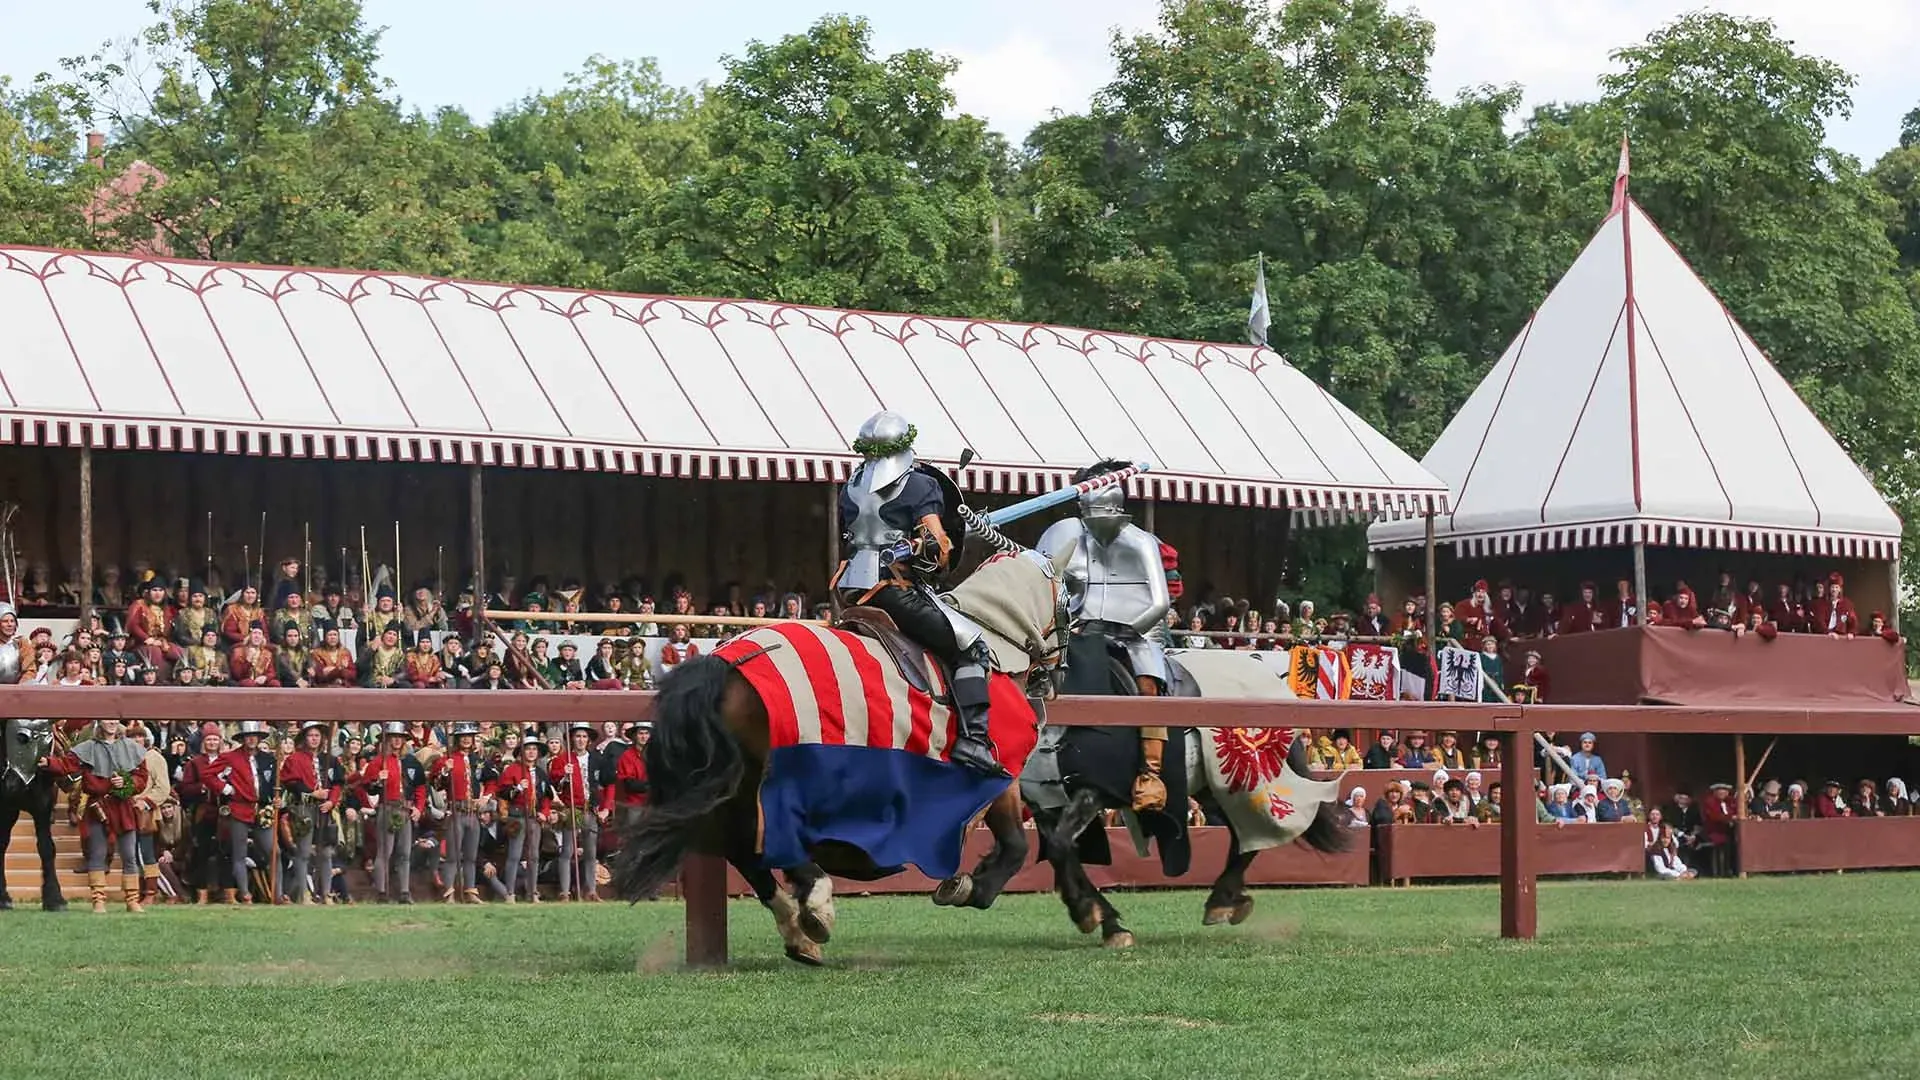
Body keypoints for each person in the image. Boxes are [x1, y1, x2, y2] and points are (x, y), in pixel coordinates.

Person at [831, 410, 1003, 778]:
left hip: (849, 590)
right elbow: (938, 547)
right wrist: (941, 547)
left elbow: (854, 536)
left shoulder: (851, 486)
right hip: (894, 591)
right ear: (905, 446)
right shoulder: (919, 485)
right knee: (970, 646)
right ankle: (975, 739)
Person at [1036, 460, 1175, 810]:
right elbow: (1043, 584)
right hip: (1075, 630)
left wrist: (1123, 631)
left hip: (1132, 633)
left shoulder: (1141, 542)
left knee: (1148, 682)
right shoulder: (1064, 535)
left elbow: (1159, 602)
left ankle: (1150, 774)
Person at [46, 717, 150, 913]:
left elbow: (142, 777)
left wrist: (127, 783)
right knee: (97, 854)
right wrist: (47, 762)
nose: (110, 722)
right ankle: (98, 900)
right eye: (106, 719)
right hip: (97, 807)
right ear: (99, 721)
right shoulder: (87, 747)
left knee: (129, 856)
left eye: (113, 719)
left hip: (123, 807)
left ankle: (132, 900)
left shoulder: (131, 747)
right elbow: (66, 765)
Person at [358, 721, 427, 903]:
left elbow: (420, 787)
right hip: (387, 807)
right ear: (387, 740)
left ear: (405, 740)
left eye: (400, 738)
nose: (396, 741)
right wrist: (378, 781)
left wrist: (419, 808)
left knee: (405, 853)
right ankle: (381, 892)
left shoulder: (412, 762)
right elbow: (368, 787)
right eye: (393, 737)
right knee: (384, 852)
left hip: (405, 808)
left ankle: (404, 892)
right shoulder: (378, 762)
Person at [212, 720, 278, 904]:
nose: (251, 739)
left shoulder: (268, 758)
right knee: (239, 853)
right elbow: (208, 774)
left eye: (254, 736)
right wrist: (225, 789)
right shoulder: (231, 757)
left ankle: (277, 894)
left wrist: (276, 797)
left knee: (274, 852)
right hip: (240, 808)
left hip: (263, 810)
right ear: (243, 739)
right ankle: (245, 894)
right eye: (248, 736)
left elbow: (275, 783)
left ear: (258, 738)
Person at [281, 721, 343, 905]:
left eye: (317, 735)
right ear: (304, 738)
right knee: (304, 852)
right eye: (310, 735)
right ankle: (304, 894)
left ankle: (326, 893)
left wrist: (332, 801)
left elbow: (338, 783)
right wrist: (311, 793)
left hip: (325, 809)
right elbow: (289, 782)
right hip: (304, 808)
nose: (314, 739)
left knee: (326, 853)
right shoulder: (295, 759)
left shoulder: (330, 759)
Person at [434, 721, 495, 904]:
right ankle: (449, 892)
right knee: (452, 855)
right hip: (457, 811)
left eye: (470, 736)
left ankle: (470, 890)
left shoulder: (480, 760)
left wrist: (486, 796)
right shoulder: (448, 759)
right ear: (458, 739)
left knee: (471, 855)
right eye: (464, 737)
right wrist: (445, 771)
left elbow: (492, 779)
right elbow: (436, 784)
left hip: (473, 813)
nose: (467, 740)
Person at [549, 722, 610, 901]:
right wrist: (564, 776)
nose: (581, 740)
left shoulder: (596, 758)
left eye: (584, 736)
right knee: (567, 850)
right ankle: (565, 891)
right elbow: (554, 784)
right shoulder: (563, 759)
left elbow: (606, 784)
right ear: (572, 739)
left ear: (588, 740)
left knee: (591, 852)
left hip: (590, 809)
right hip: (572, 809)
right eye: (578, 736)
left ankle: (591, 890)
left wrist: (605, 807)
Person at [176, 726, 229, 903]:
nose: (212, 742)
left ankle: (225, 892)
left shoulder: (227, 761)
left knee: (226, 852)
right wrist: (203, 787)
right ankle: (202, 893)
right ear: (203, 742)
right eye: (209, 739)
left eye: (215, 739)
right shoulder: (195, 763)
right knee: (202, 852)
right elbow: (185, 788)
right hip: (203, 812)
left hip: (225, 813)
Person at [496, 735, 552, 903]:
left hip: (535, 817)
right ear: (522, 751)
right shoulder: (512, 770)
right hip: (517, 815)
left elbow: (547, 795)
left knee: (534, 856)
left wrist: (545, 811)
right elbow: (503, 792)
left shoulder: (541, 772)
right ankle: (510, 893)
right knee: (514, 855)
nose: (531, 752)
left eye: (534, 749)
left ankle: (532, 891)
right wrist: (518, 788)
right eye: (528, 749)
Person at [126, 722, 173, 907]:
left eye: (139, 736)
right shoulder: (125, 757)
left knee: (145, 852)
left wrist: (145, 802)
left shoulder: (154, 757)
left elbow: (163, 787)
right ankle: (136, 891)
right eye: (132, 737)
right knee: (132, 853)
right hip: (127, 810)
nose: (137, 740)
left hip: (145, 812)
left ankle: (151, 892)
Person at [612, 720, 650, 827]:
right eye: (641, 733)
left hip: (653, 804)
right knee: (634, 837)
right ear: (635, 736)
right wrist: (652, 785)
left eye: (647, 733)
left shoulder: (657, 754)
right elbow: (629, 784)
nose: (644, 737)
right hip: (634, 804)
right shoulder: (627, 756)